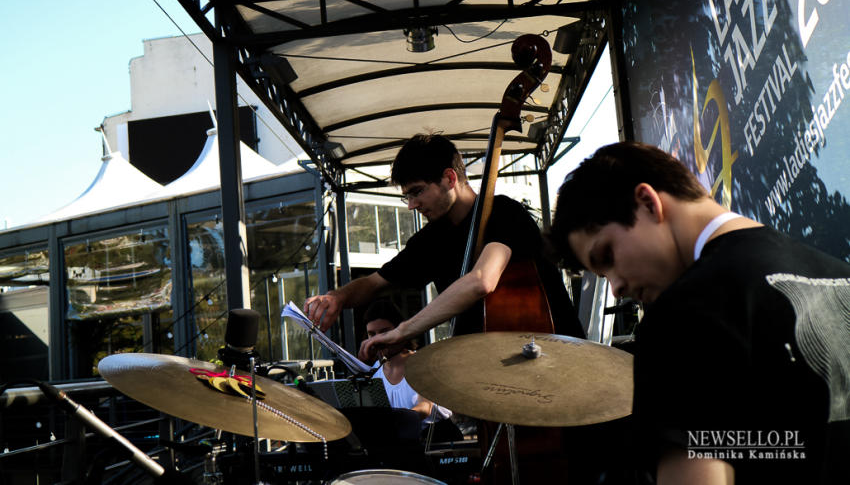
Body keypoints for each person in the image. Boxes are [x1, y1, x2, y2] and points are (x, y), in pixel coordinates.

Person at [548, 141, 850, 485]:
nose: (615, 287)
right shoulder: (840, 275)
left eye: (607, 257)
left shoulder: (681, 315)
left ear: (648, 202)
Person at [305, 133, 584, 357]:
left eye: (417, 192)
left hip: (554, 356)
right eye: (407, 197)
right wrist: (337, 298)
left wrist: (404, 330)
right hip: (495, 372)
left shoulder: (505, 213)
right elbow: (375, 282)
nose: (412, 205)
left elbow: (481, 281)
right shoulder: (432, 239)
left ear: (450, 178)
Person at [360, 299, 462, 442]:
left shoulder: (422, 363)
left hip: (437, 439)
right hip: (403, 442)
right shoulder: (374, 372)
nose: (378, 340)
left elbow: (425, 407)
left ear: (400, 332)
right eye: (372, 334)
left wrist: (393, 418)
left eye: (385, 332)